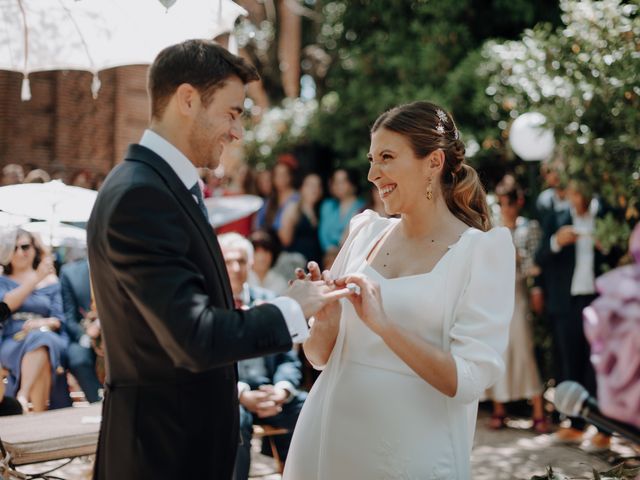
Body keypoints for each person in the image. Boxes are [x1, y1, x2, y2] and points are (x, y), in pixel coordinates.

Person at [86, 39, 347, 480]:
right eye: (231, 113)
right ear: (188, 99)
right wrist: (293, 307)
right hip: (160, 456)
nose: (237, 132)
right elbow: (194, 336)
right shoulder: (141, 195)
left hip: (181, 448)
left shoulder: (162, 186)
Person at [283, 101, 515, 479]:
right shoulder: (364, 233)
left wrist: (385, 325)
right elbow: (318, 357)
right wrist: (324, 320)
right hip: (329, 441)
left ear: (434, 162)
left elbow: (469, 381)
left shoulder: (482, 253)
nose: (373, 173)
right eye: (372, 159)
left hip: (412, 455)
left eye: (387, 157)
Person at [536, 179, 622, 451]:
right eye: (569, 193)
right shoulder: (557, 218)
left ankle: (604, 429)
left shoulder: (609, 214)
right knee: (569, 362)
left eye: (575, 193)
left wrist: (606, 246)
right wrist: (556, 242)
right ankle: (573, 424)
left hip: (601, 301)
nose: (572, 199)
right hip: (568, 302)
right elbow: (540, 258)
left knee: (598, 365)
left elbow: (625, 252)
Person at [218, 233, 306, 480]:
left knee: (313, 407)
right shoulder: (212, 306)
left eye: (242, 261)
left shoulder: (270, 302)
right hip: (233, 396)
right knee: (233, 421)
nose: (236, 268)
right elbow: (207, 364)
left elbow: (288, 358)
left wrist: (281, 390)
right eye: (228, 262)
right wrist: (243, 394)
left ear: (251, 264)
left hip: (271, 394)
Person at [485, 175, 549, 433]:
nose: (505, 209)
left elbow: (535, 267)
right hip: (495, 294)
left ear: (518, 203)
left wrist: (519, 261)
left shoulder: (528, 228)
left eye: (509, 204)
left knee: (523, 347)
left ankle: (538, 410)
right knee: (496, 348)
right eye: (501, 204)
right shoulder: (491, 229)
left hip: (518, 292)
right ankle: (500, 409)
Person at [0, 230, 70, 412]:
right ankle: (38, 414)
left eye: (25, 246)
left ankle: (22, 396)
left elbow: (59, 319)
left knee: (42, 340)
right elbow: (6, 306)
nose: (20, 252)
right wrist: (35, 279)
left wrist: (40, 324)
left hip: (47, 333)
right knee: (42, 349)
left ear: (34, 249)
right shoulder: (3, 280)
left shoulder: (51, 280)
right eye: (14, 248)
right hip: (12, 339)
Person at [59, 258, 102, 403]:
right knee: (78, 359)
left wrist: (100, 324)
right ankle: (97, 401)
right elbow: (69, 316)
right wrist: (86, 337)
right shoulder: (70, 272)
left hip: (116, 329)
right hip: (84, 334)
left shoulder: (121, 265)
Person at [278, 172, 324, 266]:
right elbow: (285, 239)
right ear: (302, 188)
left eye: (318, 185)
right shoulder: (293, 207)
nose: (314, 189)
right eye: (310, 185)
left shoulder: (321, 210)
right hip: (295, 264)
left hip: (314, 264)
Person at [318, 167, 366, 253]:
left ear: (353, 184)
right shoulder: (328, 206)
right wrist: (330, 250)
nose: (338, 186)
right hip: (329, 256)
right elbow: (323, 234)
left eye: (343, 182)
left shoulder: (363, 207)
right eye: (335, 182)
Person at [254, 154, 299, 232]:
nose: (279, 178)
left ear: (290, 177)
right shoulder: (270, 200)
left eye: (283, 174)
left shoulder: (297, 198)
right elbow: (257, 224)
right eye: (277, 174)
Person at [248, 229, 289, 295]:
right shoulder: (241, 279)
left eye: (266, 251)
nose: (261, 257)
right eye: (256, 251)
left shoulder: (280, 282)